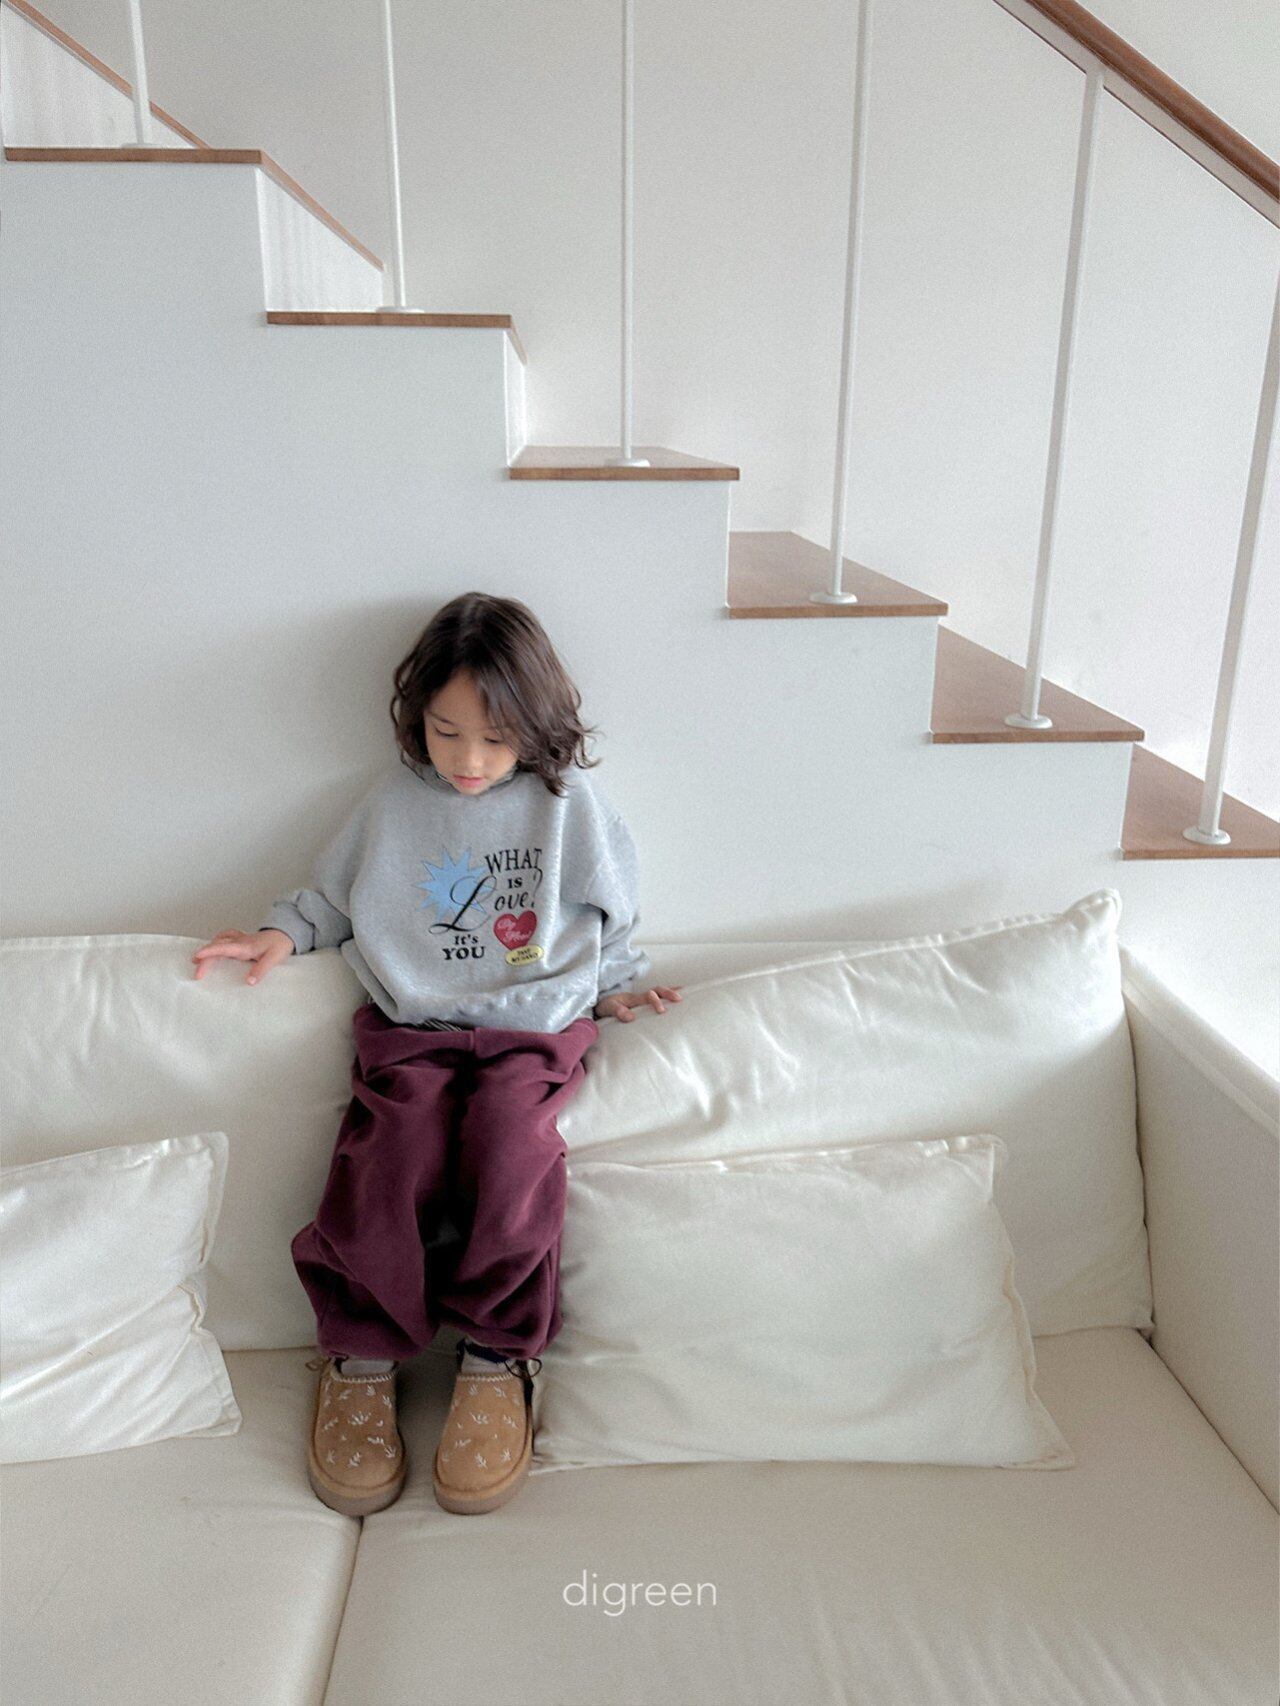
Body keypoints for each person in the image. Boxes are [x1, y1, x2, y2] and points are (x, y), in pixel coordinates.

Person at [190, 591, 681, 1518]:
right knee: (390, 1152)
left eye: (495, 738)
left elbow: (612, 916)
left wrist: (618, 990)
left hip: (534, 1028)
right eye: (446, 732)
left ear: (536, 724)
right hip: (413, 1029)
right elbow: (330, 899)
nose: (468, 760)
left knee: (512, 1148)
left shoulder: (569, 806)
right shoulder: (391, 803)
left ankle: (497, 1356)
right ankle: (361, 1352)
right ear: (416, 716)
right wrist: (278, 935)